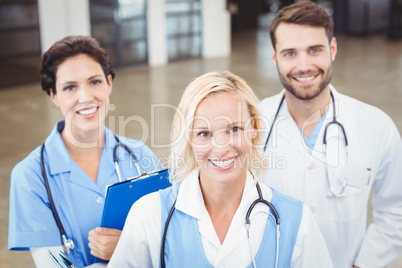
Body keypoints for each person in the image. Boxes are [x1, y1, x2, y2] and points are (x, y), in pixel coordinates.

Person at [108, 71, 333, 267]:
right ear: (189, 139)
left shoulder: (296, 220)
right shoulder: (149, 216)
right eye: (204, 133)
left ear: (253, 129)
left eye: (234, 129)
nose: (222, 147)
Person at [258, 2, 402, 268]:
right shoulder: (250, 125)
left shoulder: (376, 126)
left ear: (332, 49)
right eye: (290, 53)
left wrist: (365, 264)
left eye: (314, 50)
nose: (304, 65)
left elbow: (397, 208)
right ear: (275, 57)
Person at [8, 35, 162, 267]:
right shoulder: (30, 177)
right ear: (53, 95)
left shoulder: (140, 155)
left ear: (109, 83)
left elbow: (168, 238)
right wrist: (134, 251)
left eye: (95, 82)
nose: (86, 97)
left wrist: (129, 244)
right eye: (70, 87)